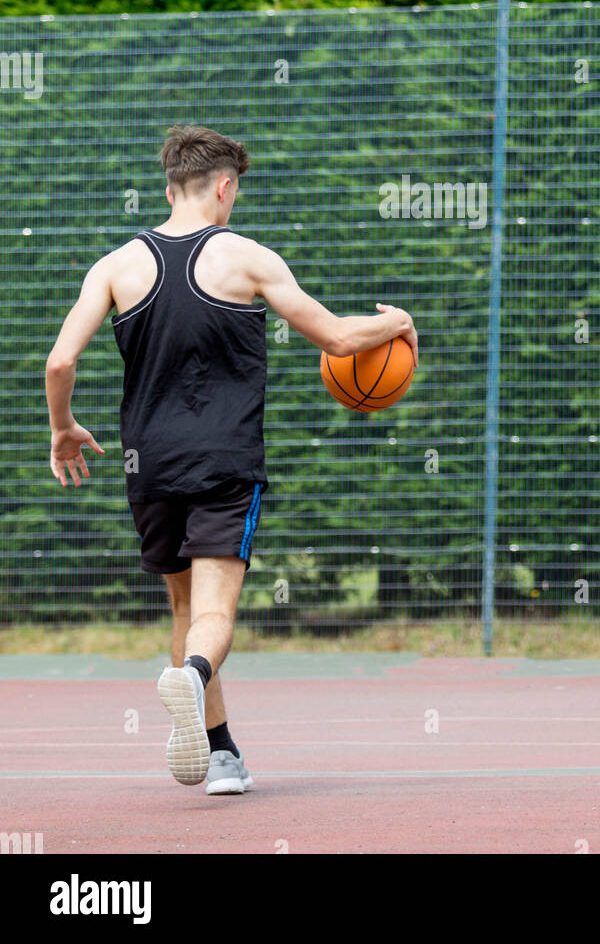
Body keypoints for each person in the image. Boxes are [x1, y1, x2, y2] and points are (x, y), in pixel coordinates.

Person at [44, 124, 418, 794]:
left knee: (183, 611)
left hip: (148, 465)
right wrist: (396, 324)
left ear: (169, 189)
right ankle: (191, 682)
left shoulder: (115, 266)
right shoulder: (247, 258)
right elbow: (334, 337)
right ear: (224, 186)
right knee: (214, 617)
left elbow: (60, 360)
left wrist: (64, 426)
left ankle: (220, 754)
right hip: (224, 462)